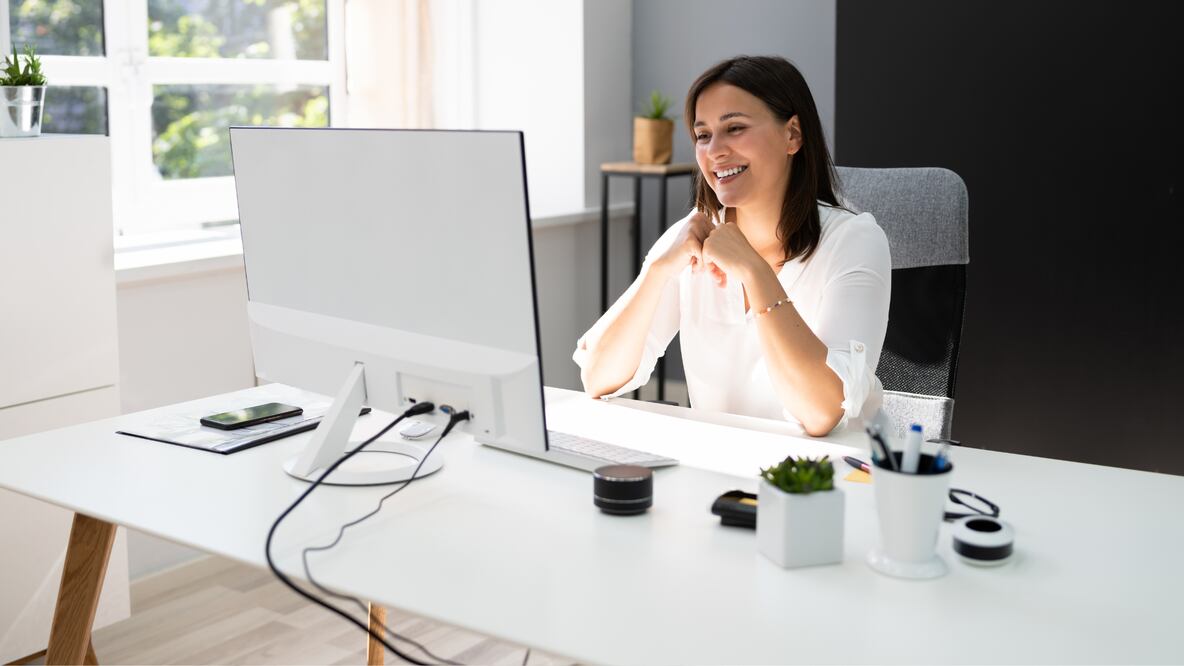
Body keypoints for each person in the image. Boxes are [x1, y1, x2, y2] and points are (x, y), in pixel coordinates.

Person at [573, 55, 891, 436]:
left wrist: (754, 272)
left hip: (831, 479)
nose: (714, 151)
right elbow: (597, 377)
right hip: (724, 473)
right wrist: (656, 271)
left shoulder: (855, 241)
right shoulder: (692, 237)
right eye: (703, 135)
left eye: (734, 128)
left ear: (792, 135)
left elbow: (823, 411)